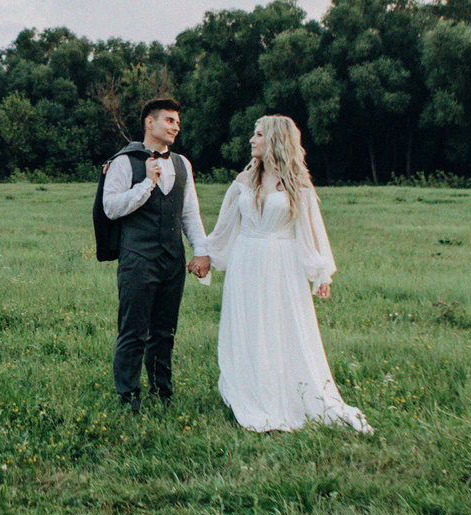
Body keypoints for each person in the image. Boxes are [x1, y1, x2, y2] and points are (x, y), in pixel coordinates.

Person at [204, 114, 373, 433]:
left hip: (283, 264)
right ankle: (251, 389)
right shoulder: (244, 179)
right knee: (250, 326)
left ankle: (286, 392)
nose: (251, 140)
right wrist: (205, 255)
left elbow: (310, 230)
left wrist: (319, 270)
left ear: (276, 140)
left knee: (281, 327)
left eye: (258, 135)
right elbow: (225, 225)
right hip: (246, 261)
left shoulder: (298, 183)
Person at [97, 98, 211, 411]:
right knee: (133, 330)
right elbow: (111, 208)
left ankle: (162, 393)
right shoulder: (124, 162)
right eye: (170, 121)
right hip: (137, 258)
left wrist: (201, 251)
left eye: (177, 122)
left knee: (164, 331)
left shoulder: (183, 164)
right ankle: (128, 395)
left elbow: (190, 214)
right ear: (151, 122)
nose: (176, 127)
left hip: (172, 259)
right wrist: (147, 183)